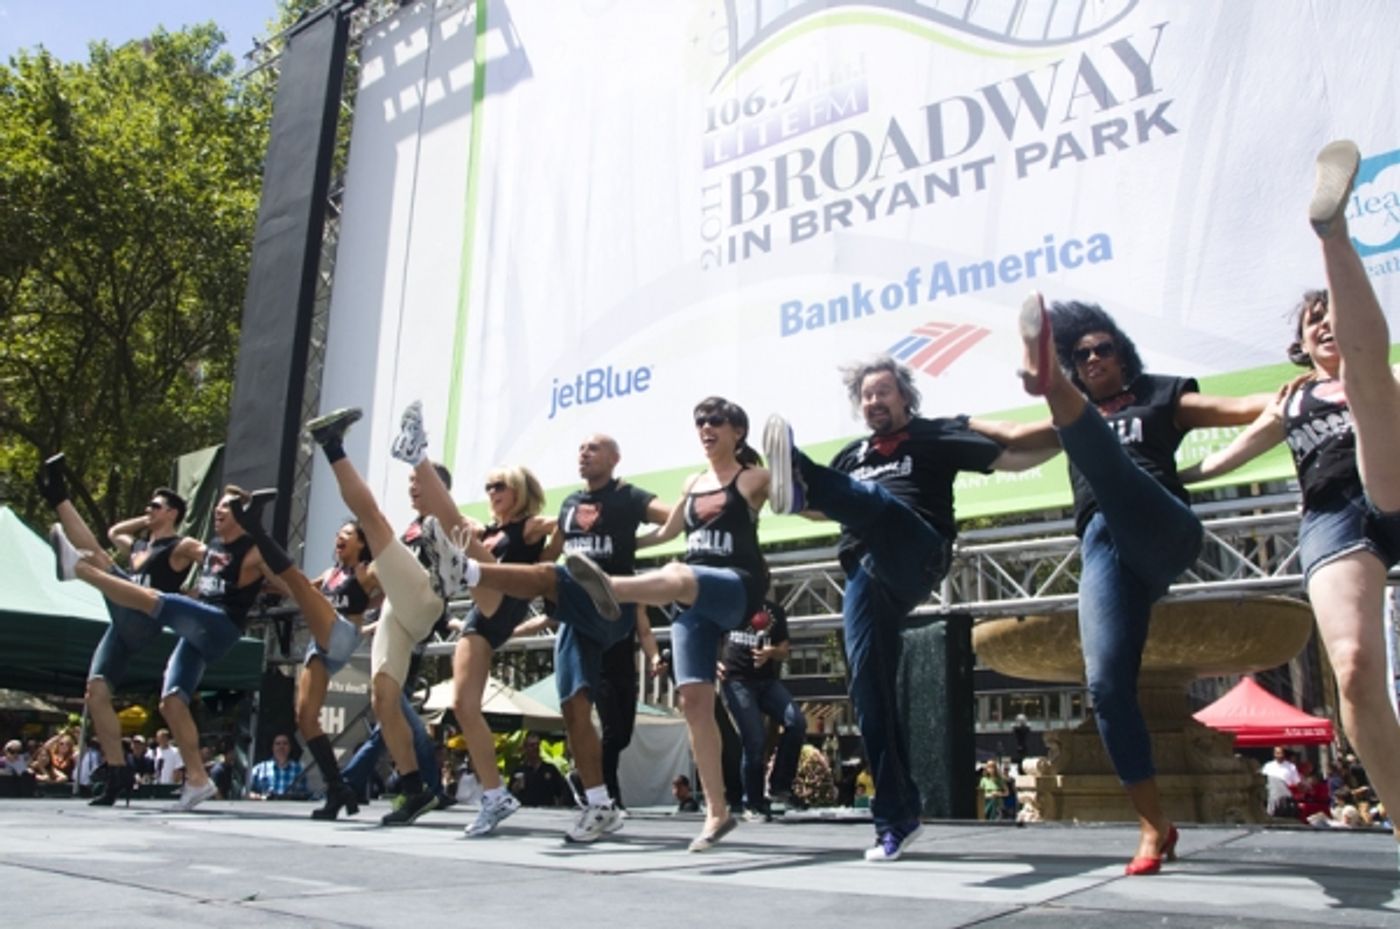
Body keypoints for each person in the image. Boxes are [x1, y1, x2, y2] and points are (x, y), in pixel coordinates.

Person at [977, 290, 1266, 874]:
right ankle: (1154, 825)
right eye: (1078, 358)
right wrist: (953, 424)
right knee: (1107, 686)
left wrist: (1301, 393)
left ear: (1122, 352)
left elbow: (1244, 406)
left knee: (1110, 469)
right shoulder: (1074, 420)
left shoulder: (1161, 394)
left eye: (1102, 349)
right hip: (1104, 548)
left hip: (1162, 525)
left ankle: (1043, 376)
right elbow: (1006, 433)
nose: (1093, 361)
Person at [1181, 141, 1400, 855]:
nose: (1326, 324)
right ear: (1302, 344)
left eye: (1334, 313)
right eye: (1315, 320)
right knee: (1358, 672)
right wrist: (1171, 478)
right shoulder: (1292, 397)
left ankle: (1332, 234)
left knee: (1374, 391)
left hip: (1392, 477)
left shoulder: (1379, 374)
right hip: (1335, 519)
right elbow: (1225, 456)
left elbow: (1370, 366)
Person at [763, 357, 1055, 861]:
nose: (874, 401)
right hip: (864, 571)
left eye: (884, 393)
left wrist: (1075, 434)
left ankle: (797, 465)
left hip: (917, 548)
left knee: (877, 502)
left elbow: (1013, 456)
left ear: (904, 398)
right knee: (869, 694)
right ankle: (897, 819)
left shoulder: (932, 436)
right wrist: (796, 496)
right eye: (867, 396)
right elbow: (828, 504)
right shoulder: (852, 454)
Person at [432, 432, 668, 842]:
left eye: (594, 448)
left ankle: (468, 572)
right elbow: (549, 556)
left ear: (615, 457)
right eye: (580, 448)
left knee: (551, 578)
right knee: (573, 708)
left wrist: (644, 540)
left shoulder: (629, 497)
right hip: (577, 614)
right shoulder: (570, 506)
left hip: (614, 601)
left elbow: (673, 519)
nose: (584, 452)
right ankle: (599, 805)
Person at [565, 397, 771, 852]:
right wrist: (620, 543)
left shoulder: (754, 478)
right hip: (689, 601)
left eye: (716, 421)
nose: (706, 428)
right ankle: (717, 812)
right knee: (694, 703)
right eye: (699, 421)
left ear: (737, 430)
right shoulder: (692, 482)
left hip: (735, 585)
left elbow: (802, 502)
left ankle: (610, 589)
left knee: (676, 573)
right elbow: (664, 533)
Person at [48, 486, 280, 812]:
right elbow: (115, 533)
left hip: (185, 621)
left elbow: (268, 575)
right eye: (217, 506)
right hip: (178, 625)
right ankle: (193, 780)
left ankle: (79, 569)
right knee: (164, 701)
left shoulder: (205, 546)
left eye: (225, 508)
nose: (217, 512)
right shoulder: (157, 546)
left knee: (143, 589)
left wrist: (273, 579)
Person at [303, 404, 461, 826]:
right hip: (398, 613)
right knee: (383, 700)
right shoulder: (411, 530)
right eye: (409, 481)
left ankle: (333, 444)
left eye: (418, 480)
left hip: (425, 598)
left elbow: (475, 538)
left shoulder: (448, 516)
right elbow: (374, 580)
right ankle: (415, 792)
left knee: (371, 520)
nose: (412, 487)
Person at [34, 461, 198, 806]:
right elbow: (114, 532)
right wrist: (146, 521)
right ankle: (118, 773)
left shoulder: (178, 547)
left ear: (172, 513)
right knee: (95, 692)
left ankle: (68, 537)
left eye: (155, 507)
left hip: (144, 616)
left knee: (96, 559)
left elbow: (203, 553)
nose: (148, 511)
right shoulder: (140, 547)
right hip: (120, 622)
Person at [225, 492, 382, 820]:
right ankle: (338, 789)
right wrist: (260, 582)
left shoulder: (367, 571)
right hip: (320, 645)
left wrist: (377, 621)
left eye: (348, 536)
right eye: (339, 535)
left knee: (300, 585)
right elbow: (290, 586)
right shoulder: (330, 575)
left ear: (362, 545)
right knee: (305, 718)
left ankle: (256, 528)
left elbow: (393, 589)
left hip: (340, 636)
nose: (340, 538)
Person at [718, 598, 806, 821]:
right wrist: (712, 661)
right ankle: (753, 802)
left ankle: (779, 786)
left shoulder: (775, 610)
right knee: (755, 739)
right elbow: (709, 635)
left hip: (767, 682)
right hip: (737, 680)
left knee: (796, 722)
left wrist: (771, 652)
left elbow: (784, 649)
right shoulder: (730, 602)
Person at [508, 733, 570, 807]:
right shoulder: (519, 770)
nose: (535, 748)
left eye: (537, 744)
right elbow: (510, 795)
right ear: (525, 748)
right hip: (525, 812)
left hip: (547, 811)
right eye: (532, 745)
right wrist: (515, 787)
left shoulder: (550, 769)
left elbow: (562, 792)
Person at [247, 733, 308, 800]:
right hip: (264, 809)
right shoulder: (259, 769)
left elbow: (304, 795)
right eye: (278, 743)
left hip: (291, 809)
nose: (281, 746)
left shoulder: (299, 770)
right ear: (272, 747)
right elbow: (245, 792)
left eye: (285, 743)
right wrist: (259, 797)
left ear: (290, 747)